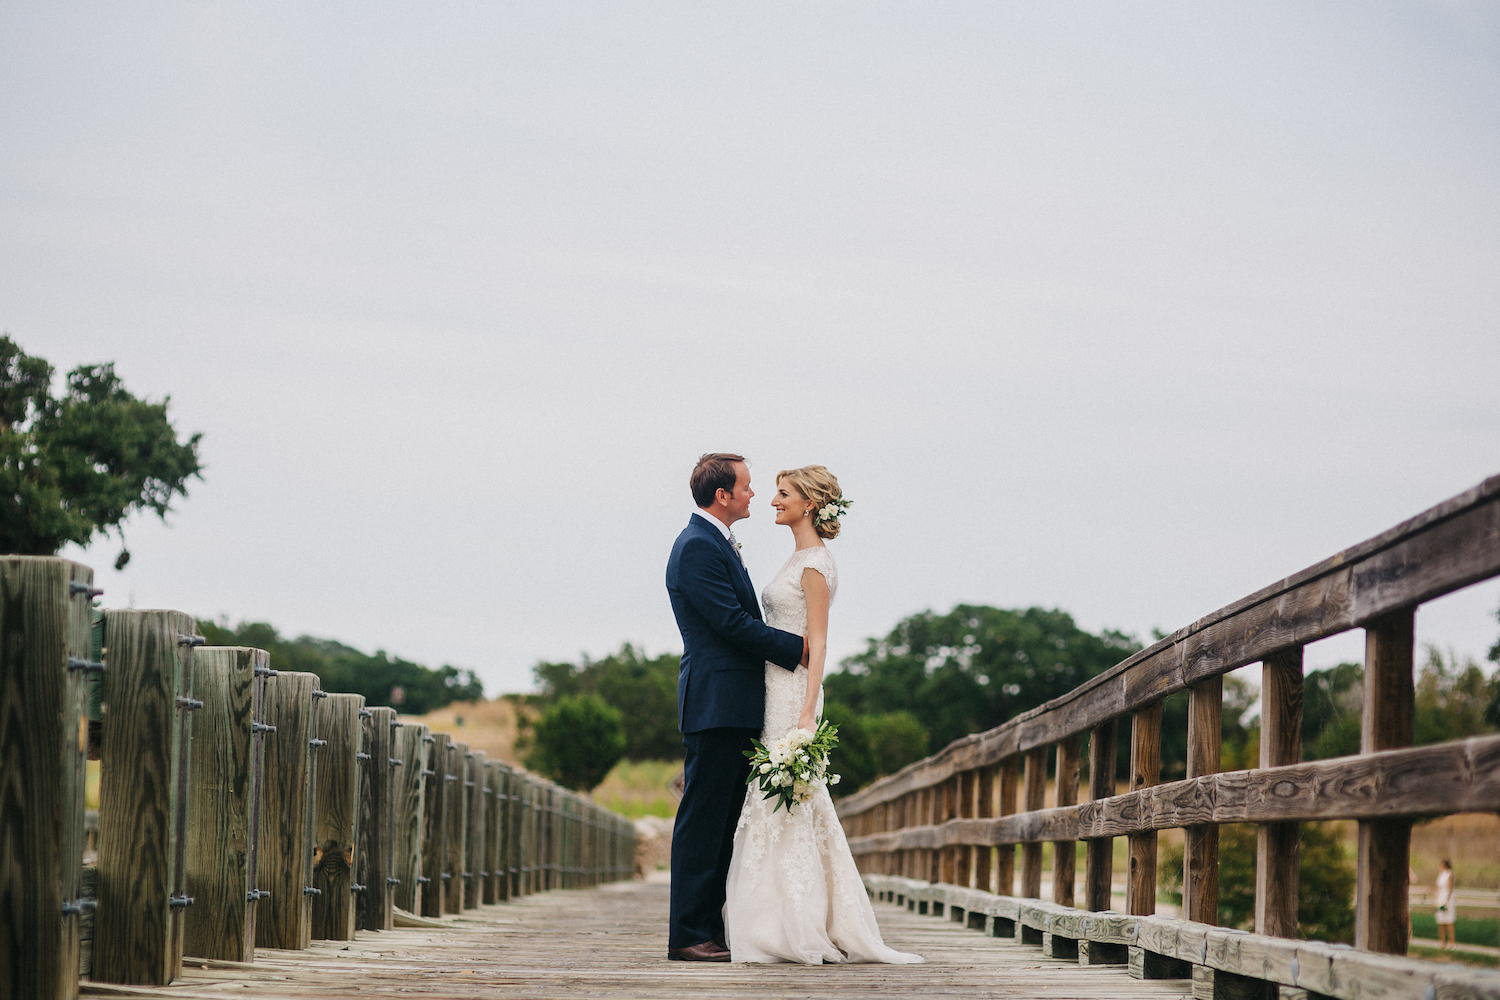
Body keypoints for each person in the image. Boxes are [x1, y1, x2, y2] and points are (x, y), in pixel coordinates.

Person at [723, 465, 922, 965]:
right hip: (772, 689)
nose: (773, 500)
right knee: (780, 802)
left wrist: (808, 712)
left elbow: (820, 642)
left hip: (794, 694)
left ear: (809, 503)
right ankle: (776, 920)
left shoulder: (816, 564)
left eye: (783, 493)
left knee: (787, 800)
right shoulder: (797, 557)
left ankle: (799, 925)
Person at [665, 453, 809, 962]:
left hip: (733, 703)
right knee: (703, 823)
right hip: (715, 702)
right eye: (746, 487)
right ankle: (688, 934)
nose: (754, 495)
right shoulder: (697, 547)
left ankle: (711, 929)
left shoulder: (713, 542)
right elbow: (730, 623)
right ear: (722, 495)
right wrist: (798, 649)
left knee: (723, 823)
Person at [1435, 859, 1456, 949]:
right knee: (1440, 921)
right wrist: (1435, 900)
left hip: (1447, 899)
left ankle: (1452, 943)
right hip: (1440, 898)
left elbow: (1450, 888)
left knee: (1448, 921)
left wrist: (1447, 901)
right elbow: (1438, 888)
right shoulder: (1441, 875)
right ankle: (1442, 942)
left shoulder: (1450, 874)